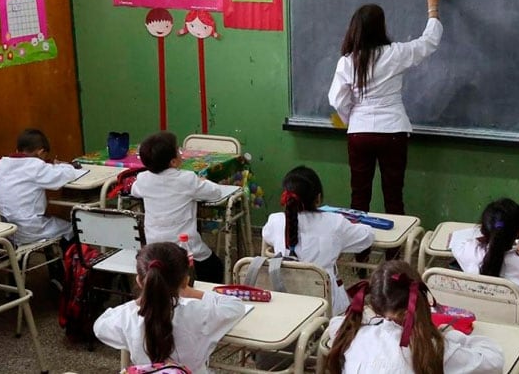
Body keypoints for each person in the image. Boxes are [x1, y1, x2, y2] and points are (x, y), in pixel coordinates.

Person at [327, 0, 443, 225]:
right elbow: (428, 42)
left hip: (359, 134)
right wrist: (433, 9)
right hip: (393, 131)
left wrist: (352, 119)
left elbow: (337, 100)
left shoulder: (348, 61)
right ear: (381, 27)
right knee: (393, 197)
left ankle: (360, 258)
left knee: (359, 198)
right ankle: (394, 256)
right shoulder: (395, 54)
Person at [326, 260, 503, 374]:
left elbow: (335, 323)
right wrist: (451, 336)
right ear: (420, 299)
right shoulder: (431, 348)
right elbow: (494, 361)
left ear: (374, 304)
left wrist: (368, 316)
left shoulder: (353, 334)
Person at [93, 242, 246, 374]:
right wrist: (192, 292)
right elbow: (236, 306)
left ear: (139, 281)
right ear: (185, 281)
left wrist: (141, 301)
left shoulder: (127, 317)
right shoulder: (199, 311)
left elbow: (100, 326)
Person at [451, 197, 519, 369]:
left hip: (473, 324)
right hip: (513, 327)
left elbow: (455, 238)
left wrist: (485, 235)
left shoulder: (467, 251)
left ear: (482, 230)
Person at [261, 166, 374, 315]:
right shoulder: (335, 223)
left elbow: (266, 235)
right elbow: (367, 237)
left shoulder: (275, 221)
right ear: (318, 198)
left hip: (286, 303)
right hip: (327, 308)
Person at [131, 131, 228, 283]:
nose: (180, 153)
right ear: (173, 162)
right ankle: (204, 297)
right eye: (178, 150)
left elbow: (134, 190)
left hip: (154, 247)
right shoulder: (187, 179)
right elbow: (215, 193)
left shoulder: (143, 179)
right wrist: (202, 181)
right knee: (214, 267)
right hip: (185, 246)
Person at [0, 129, 83, 286]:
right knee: (72, 229)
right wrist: (66, 166)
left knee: (50, 222)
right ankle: (68, 277)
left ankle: (19, 278)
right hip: (29, 229)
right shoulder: (36, 167)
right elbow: (65, 176)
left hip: (6, 230)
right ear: (41, 152)